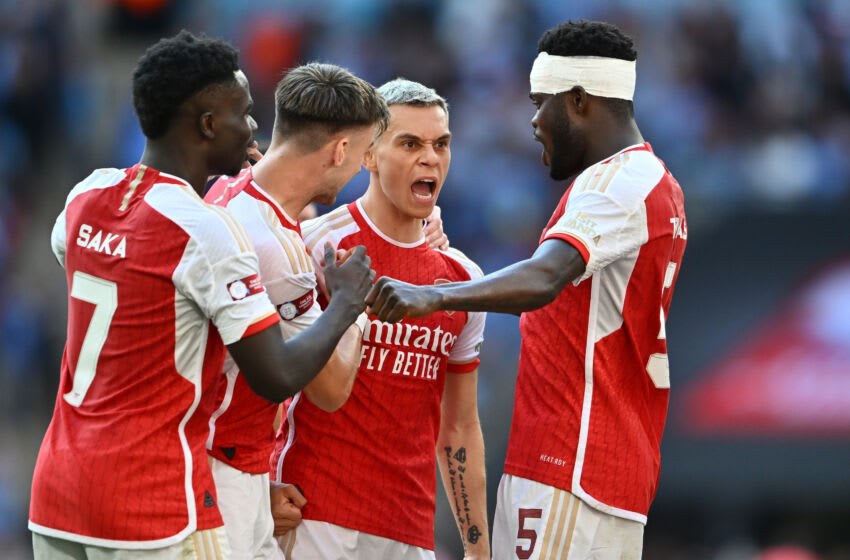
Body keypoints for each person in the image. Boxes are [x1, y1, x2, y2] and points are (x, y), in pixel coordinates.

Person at [29, 31, 373, 559]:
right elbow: (275, 374)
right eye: (244, 113)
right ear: (209, 125)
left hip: (59, 493)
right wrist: (346, 303)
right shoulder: (206, 232)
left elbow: (81, 263)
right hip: (152, 503)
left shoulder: (86, 194)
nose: (255, 128)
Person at [366, 20, 688, 559]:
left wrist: (436, 295)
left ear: (580, 101)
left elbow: (545, 276)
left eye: (543, 102)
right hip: (600, 466)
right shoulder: (658, 183)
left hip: (570, 465)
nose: (534, 121)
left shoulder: (617, 182)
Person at [271, 79, 490, 560]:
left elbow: (458, 428)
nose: (430, 158)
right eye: (410, 144)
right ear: (368, 155)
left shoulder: (462, 279)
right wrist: (261, 483)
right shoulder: (315, 245)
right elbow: (258, 375)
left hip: (410, 531)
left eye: (441, 144)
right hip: (315, 517)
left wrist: (477, 551)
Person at [202, 62, 390, 559]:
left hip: (220, 465)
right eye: (363, 154)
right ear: (341, 149)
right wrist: (351, 307)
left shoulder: (225, 189)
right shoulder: (276, 250)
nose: (358, 172)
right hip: (227, 472)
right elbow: (330, 390)